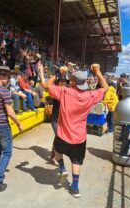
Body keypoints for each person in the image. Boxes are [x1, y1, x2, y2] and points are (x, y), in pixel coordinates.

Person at [40, 63, 109, 198]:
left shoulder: (65, 92)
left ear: (72, 81)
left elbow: (46, 85)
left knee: (57, 149)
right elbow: (105, 88)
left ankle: (61, 167)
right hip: (80, 137)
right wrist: (98, 71)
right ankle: (75, 188)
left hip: (63, 134)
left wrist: (58, 72)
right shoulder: (90, 95)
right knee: (76, 162)